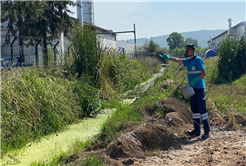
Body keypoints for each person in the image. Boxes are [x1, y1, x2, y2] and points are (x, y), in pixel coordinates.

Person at [159, 44, 210, 140]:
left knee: (202, 110)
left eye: (187, 50)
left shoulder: (198, 60)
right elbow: (178, 60)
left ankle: (207, 132)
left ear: (192, 50)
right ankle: (196, 130)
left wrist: (195, 80)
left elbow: (203, 73)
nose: (186, 52)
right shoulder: (188, 61)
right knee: (194, 110)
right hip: (192, 89)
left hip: (199, 88)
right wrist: (169, 58)